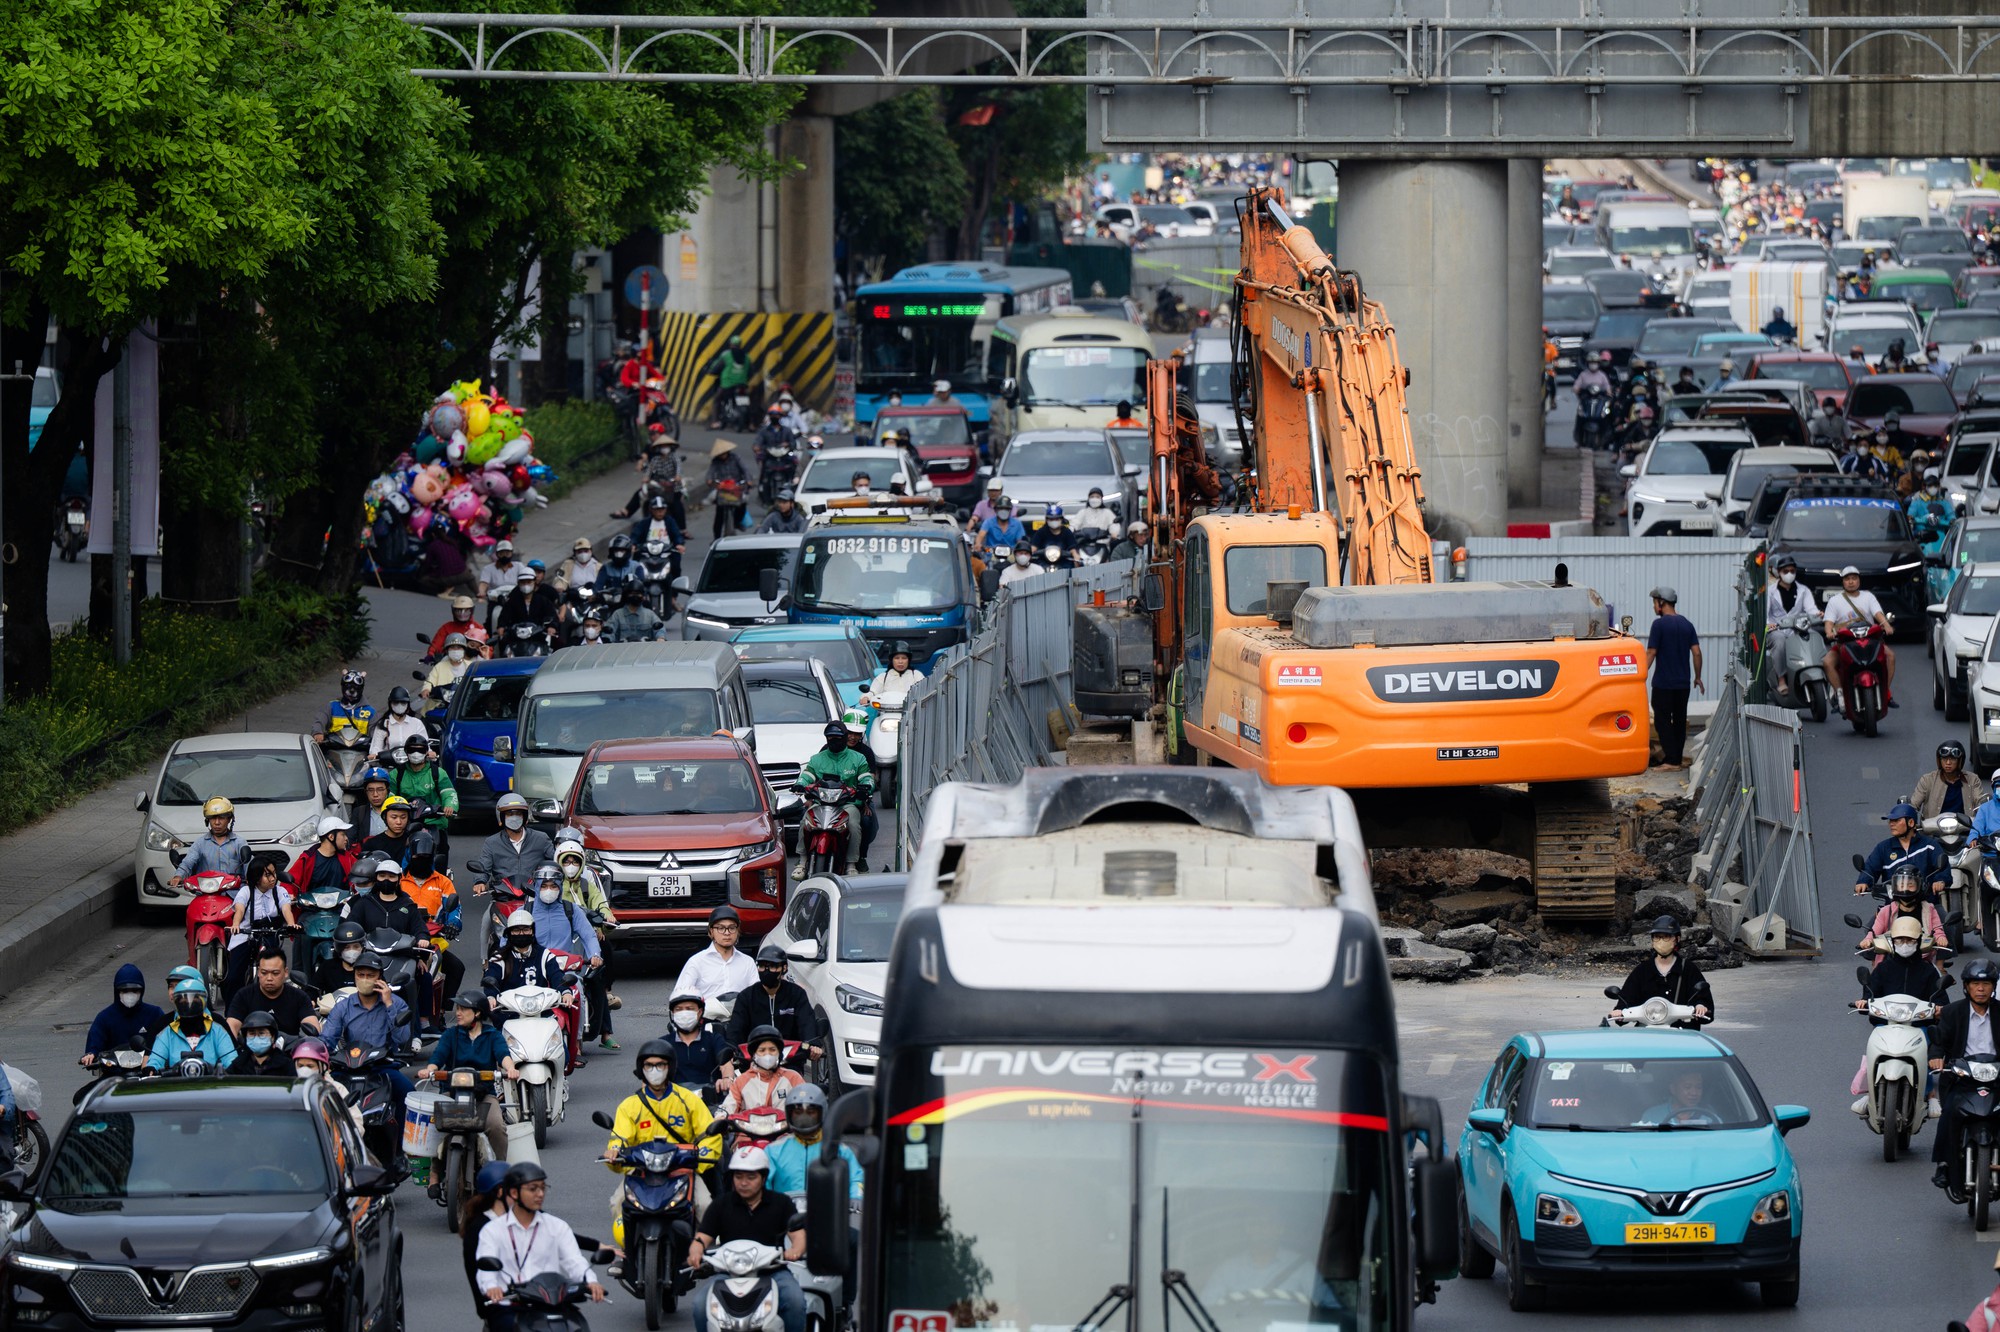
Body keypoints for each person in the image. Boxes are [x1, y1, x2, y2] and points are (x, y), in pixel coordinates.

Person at [602, 1041, 721, 1234]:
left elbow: (709, 1134)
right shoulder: (629, 1106)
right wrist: (614, 1151)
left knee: (705, 1205)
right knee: (617, 1203)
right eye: (649, 1065)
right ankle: (627, 1251)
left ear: (670, 1067)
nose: (654, 1070)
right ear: (642, 1069)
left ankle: (698, 1251)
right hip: (642, 1172)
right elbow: (620, 1137)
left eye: (660, 1065)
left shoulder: (688, 1100)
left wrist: (703, 1154)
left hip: (681, 1171)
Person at [687, 1147, 805, 1332]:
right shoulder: (721, 1204)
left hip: (772, 1272)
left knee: (795, 1301)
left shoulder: (781, 1203)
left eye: (751, 1177)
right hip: (728, 1273)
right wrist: (696, 1251)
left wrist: (795, 1250)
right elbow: (702, 1237)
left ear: (763, 1178)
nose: (743, 1183)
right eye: (738, 1176)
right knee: (700, 1305)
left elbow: (798, 1235)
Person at [477, 1163, 608, 1311]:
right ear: (514, 1193)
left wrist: (591, 1281)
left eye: (543, 1188)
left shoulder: (557, 1226)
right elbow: (486, 1269)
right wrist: (492, 1287)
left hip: (551, 1303)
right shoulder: (493, 1230)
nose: (540, 1194)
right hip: (510, 1306)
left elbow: (574, 1261)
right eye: (533, 1189)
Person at [420, 991, 517, 1163]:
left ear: (477, 1013)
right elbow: (438, 1056)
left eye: (463, 1009)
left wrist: (510, 1069)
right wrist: (429, 1070)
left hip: (484, 1095)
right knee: (435, 1126)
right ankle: (435, 1172)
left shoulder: (492, 1035)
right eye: (457, 1008)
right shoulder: (451, 1035)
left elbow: (503, 1055)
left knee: (497, 1127)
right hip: (452, 1093)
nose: (458, 1013)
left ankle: (500, 1170)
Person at [322, 952, 417, 1117]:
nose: (365, 979)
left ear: (380, 977)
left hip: (382, 1067)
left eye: (370, 975)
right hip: (349, 1067)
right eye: (361, 975)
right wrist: (318, 1055)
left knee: (408, 1094)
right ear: (355, 976)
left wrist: (389, 1004)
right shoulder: (343, 1007)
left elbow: (402, 1038)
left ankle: (401, 1134)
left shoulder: (396, 1003)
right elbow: (327, 1039)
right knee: (322, 1093)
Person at [1936, 960, 2000, 1193]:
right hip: (1962, 1077)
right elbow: (1939, 1042)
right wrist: (1936, 1057)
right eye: (1975, 984)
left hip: (1997, 1078)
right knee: (1949, 1114)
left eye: (1986, 984)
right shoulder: (1952, 1012)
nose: (1981, 989)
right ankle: (1944, 1164)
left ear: (1993, 987)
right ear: (1966, 986)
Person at [555, 837, 619, 1050]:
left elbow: (600, 903)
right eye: (566, 861)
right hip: (562, 942)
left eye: (575, 861)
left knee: (597, 977)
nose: (571, 865)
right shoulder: (554, 887)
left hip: (586, 939)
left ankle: (606, 1032)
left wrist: (605, 918)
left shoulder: (586, 884)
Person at [792, 722, 876, 877]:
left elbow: (867, 778)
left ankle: (851, 864)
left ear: (844, 738)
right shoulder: (817, 759)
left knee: (853, 824)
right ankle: (802, 861)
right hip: (820, 804)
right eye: (830, 737)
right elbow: (807, 776)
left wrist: (866, 788)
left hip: (847, 804)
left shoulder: (858, 758)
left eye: (837, 737)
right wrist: (800, 784)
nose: (834, 740)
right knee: (805, 820)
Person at [1608, 916, 1714, 1028]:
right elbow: (1627, 998)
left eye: (1666, 937)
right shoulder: (1642, 970)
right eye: (1657, 937)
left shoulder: (1688, 969)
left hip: (1681, 1032)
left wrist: (1700, 1006)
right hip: (1648, 1031)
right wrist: (1620, 1011)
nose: (1661, 941)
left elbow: (1702, 998)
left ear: (1677, 939)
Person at [725, 946, 824, 1062]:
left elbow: (806, 1022)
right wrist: (731, 1049)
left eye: (772, 966)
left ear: (784, 968)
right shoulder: (746, 996)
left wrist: (812, 1044)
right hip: (753, 1060)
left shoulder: (797, 994)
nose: (766, 971)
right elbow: (736, 1028)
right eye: (762, 966)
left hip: (790, 1061)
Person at [468, 791, 557, 918]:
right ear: (501, 817)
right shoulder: (492, 842)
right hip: (503, 898)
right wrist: (480, 881)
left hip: (536, 897)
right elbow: (483, 866)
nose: (514, 818)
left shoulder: (541, 839)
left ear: (525, 817)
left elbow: (556, 861)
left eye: (518, 814)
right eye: (510, 814)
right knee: (487, 920)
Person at [1822, 565, 1896, 710]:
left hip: (1870, 641)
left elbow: (1878, 614)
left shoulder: (1868, 597)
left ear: (1859, 580)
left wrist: (1886, 625)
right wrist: (1829, 632)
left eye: (1854, 578)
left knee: (1890, 657)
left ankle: (1886, 692)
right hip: (1845, 643)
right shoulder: (1835, 601)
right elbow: (1828, 622)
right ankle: (1840, 693)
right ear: (1843, 582)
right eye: (1847, 579)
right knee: (1827, 662)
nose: (1851, 582)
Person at [1644, 586, 1702, 769]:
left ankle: (1671, 760)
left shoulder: (1659, 625)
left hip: (1663, 683)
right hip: (1683, 684)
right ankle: (1675, 758)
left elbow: (1651, 652)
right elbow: (1697, 652)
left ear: (1661, 603)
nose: (1654, 607)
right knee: (1679, 720)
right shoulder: (1687, 624)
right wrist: (1698, 677)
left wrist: (1640, 674)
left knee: (1662, 720)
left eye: (1654, 603)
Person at [223, 856, 297, 996]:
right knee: (233, 977)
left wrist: (291, 924)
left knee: (275, 971)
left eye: (274, 873)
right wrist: (236, 925)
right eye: (267, 875)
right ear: (256, 877)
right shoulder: (246, 891)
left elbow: (286, 909)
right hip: (246, 934)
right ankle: (232, 1007)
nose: (273, 878)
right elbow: (239, 910)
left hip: (271, 933)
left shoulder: (280, 891)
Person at [1856, 802, 1951, 901]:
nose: (1891, 824)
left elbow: (1943, 867)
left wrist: (1940, 880)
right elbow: (1870, 868)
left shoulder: (1929, 845)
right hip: (1893, 903)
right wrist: (1863, 881)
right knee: (1878, 913)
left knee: (1941, 912)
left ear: (1911, 823)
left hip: (1926, 902)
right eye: (1890, 821)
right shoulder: (1883, 848)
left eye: (1896, 820)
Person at [82, 963, 166, 1067]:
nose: (130, 995)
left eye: (135, 991)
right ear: (117, 991)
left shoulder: (154, 1014)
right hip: (113, 1071)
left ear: (142, 991)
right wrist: (91, 1054)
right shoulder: (105, 1017)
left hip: (148, 1070)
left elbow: (167, 1040)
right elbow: (95, 1042)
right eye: (125, 991)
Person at [462, 1159, 515, 1323]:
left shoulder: (519, 1216)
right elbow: (477, 1273)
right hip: (501, 1305)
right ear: (500, 1192)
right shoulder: (479, 1229)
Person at [147, 977, 240, 1071]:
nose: (189, 1004)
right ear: (176, 1003)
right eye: (183, 1000)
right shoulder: (167, 1033)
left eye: (194, 998)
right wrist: (152, 1069)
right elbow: (155, 1061)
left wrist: (232, 1069)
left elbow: (230, 1059)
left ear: (203, 1001)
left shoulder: (217, 1031)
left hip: (211, 1080)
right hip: (176, 1080)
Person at [392, 735, 459, 865]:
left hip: (434, 823)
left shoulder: (438, 773)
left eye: (420, 750)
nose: (416, 753)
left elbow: (449, 793)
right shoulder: (396, 774)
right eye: (412, 750)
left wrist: (450, 807)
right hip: (405, 824)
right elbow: (389, 797)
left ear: (426, 752)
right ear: (406, 752)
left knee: (441, 853)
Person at [227, 946, 320, 1037]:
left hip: (289, 1046)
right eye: (264, 973)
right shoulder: (243, 995)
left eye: (275, 973)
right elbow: (231, 1027)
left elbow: (313, 1027)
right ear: (258, 972)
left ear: (286, 972)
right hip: (252, 1046)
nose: (269, 978)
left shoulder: (299, 997)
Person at [672, 905, 759, 1000]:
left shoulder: (748, 962)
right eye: (720, 928)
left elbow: (757, 996)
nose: (727, 933)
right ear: (711, 931)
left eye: (732, 928)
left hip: (740, 1009)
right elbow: (680, 996)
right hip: (708, 1009)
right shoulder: (696, 962)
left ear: (738, 930)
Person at [484, 908, 575, 999]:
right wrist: (491, 996)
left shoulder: (545, 955)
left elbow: (556, 975)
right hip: (507, 1007)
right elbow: (492, 978)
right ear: (509, 933)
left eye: (526, 929)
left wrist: (565, 992)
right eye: (516, 930)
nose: (521, 933)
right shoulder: (499, 957)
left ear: (532, 931)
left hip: (541, 1007)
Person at [1859, 865, 1951, 953]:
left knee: (1939, 959)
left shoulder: (1929, 909)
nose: (1906, 889)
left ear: (1919, 886)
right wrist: (1868, 940)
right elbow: (1874, 932)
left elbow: (1937, 929)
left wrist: (1941, 938)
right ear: (1895, 887)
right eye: (1901, 885)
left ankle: (1940, 963)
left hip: (1923, 957)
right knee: (1875, 959)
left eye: (1910, 885)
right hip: (1892, 956)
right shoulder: (1886, 910)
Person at [664, 990, 739, 1094]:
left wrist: (727, 1079)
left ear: (700, 1012)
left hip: (709, 1097)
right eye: (679, 1009)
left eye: (689, 1009)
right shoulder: (663, 1043)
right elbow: (651, 1073)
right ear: (672, 1013)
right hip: (674, 1099)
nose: (684, 1013)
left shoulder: (714, 1039)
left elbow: (726, 1064)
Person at [723, 1026, 806, 1113]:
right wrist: (721, 1116)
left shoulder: (793, 1077)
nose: (767, 1054)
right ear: (754, 1054)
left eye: (772, 1050)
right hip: (751, 1122)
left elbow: (807, 1105)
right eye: (762, 1050)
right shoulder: (741, 1081)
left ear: (779, 1053)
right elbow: (728, 1107)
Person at [173, 796, 250, 887]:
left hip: (234, 892)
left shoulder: (239, 842)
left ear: (229, 819)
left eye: (222, 818)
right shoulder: (200, 843)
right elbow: (188, 862)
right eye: (213, 818)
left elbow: (248, 866)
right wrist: (178, 876)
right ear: (207, 820)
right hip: (206, 891)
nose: (217, 822)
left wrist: (251, 878)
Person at [1917, 739, 1993, 822]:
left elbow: (1980, 801)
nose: (1948, 763)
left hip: (1964, 827)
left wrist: (1984, 806)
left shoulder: (1973, 779)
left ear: (1960, 761)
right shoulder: (1927, 780)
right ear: (1939, 760)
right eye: (1944, 759)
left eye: (1953, 759)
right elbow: (1913, 805)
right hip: (1933, 828)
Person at [288, 814, 357, 897]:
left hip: (342, 904)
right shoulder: (307, 859)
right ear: (331, 837)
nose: (346, 838)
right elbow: (289, 883)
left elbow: (359, 878)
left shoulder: (348, 858)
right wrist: (289, 895)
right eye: (343, 834)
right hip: (312, 904)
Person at [1638, 1066, 1722, 1125]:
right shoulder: (1652, 1115)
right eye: (1687, 1087)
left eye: (1699, 1087)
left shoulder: (1710, 1118)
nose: (1694, 1093)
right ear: (1673, 1089)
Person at [496, 565, 560, 639]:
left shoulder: (543, 601)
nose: (526, 585)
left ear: (534, 582)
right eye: (523, 582)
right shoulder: (512, 602)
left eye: (529, 582)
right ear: (518, 583)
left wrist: (552, 627)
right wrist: (501, 627)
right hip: (516, 638)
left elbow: (552, 616)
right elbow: (504, 617)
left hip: (538, 637)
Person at [706, 441, 751, 538]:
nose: (722, 455)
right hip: (723, 489)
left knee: (742, 505)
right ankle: (716, 538)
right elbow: (711, 472)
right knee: (719, 515)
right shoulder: (715, 461)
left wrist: (748, 480)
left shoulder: (736, 458)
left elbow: (745, 470)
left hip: (736, 488)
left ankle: (737, 522)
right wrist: (709, 479)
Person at [369, 686, 429, 760]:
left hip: (413, 763)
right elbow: (376, 747)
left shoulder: (417, 723)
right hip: (389, 764)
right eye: (396, 702)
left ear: (408, 704)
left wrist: (430, 753)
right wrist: (374, 755)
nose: (399, 705)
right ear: (390, 704)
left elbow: (425, 745)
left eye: (403, 702)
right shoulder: (383, 724)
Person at [705, 335, 752, 426]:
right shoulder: (747, 357)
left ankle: (715, 422)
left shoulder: (726, 355)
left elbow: (717, 367)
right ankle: (751, 424)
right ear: (740, 345)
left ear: (730, 344)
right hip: (742, 384)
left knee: (717, 400)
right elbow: (750, 371)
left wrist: (711, 371)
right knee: (748, 402)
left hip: (727, 384)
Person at [314, 917, 368, 997]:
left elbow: (381, 991)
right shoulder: (327, 967)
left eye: (356, 947)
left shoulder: (370, 968)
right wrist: (312, 1000)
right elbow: (313, 990)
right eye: (347, 947)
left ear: (362, 947)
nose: (351, 951)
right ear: (338, 949)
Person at [1763, 554, 1819, 629]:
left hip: (1798, 628)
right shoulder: (1770, 591)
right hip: (1776, 629)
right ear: (1779, 572)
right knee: (1777, 636)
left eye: (1792, 571)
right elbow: (1765, 612)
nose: (1789, 574)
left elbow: (1811, 609)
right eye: (1785, 571)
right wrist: (1768, 624)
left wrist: (1817, 615)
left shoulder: (1804, 590)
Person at [360, 795, 416, 868]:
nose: (399, 822)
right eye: (394, 817)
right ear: (384, 817)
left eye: (403, 817)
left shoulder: (413, 841)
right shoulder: (371, 844)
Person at [428, 595, 491, 660]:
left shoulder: (479, 628)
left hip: (473, 662)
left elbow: (488, 648)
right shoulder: (446, 627)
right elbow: (436, 644)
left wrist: (485, 656)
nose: (462, 613)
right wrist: (430, 654)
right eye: (458, 610)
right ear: (453, 611)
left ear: (471, 611)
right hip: (449, 660)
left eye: (466, 610)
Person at [231, 1010, 292, 1076]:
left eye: (261, 1033)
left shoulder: (286, 1065)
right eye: (252, 1034)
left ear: (273, 1037)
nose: (256, 1038)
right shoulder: (238, 1064)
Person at [421, 633, 475, 705]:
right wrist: (426, 689)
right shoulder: (439, 666)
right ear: (447, 650)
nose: (455, 650)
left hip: (464, 704)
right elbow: (430, 681)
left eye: (459, 647)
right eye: (452, 647)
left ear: (464, 650)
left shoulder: (471, 666)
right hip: (441, 703)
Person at [358, 767, 394, 838]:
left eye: (380, 790)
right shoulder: (359, 812)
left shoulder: (397, 811)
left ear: (387, 791)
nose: (375, 794)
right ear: (365, 792)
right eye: (371, 790)